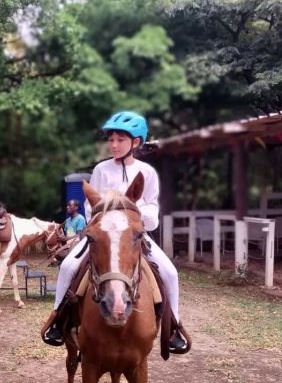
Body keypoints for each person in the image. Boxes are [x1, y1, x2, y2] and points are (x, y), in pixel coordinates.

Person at [41, 111, 189, 353]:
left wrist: (139, 216)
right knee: (68, 266)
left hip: (134, 237)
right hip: (103, 236)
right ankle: (57, 319)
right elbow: (91, 205)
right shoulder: (101, 170)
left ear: (136, 143)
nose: (113, 145)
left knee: (170, 273)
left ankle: (173, 326)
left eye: (120, 140)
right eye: (111, 140)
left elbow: (152, 205)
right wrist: (102, 217)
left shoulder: (147, 173)